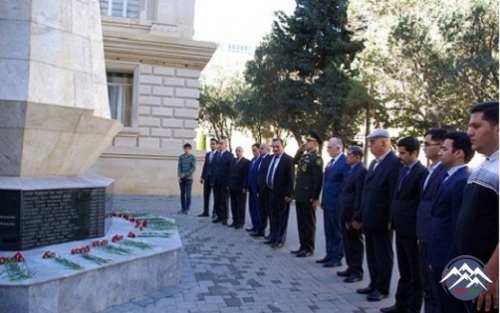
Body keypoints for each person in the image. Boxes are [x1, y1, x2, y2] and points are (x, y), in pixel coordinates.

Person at [456, 101, 499, 313]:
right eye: (469, 126)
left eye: (476, 126)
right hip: (470, 272)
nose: (469, 132)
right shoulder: (483, 164)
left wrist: (492, 274)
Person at [427, 131, 474, 313]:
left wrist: (451, 264)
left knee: (453, 306)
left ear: (458, 153)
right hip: (438, 254)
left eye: (444, 149)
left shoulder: (461, 181)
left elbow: (458, 227)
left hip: (449, 259)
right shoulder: (449, 177)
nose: (439, 152)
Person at [381, 136, 427, 313]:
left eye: (403, 153)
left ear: (414, 153)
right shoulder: (402, 170)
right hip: (400, 227)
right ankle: (400, 304)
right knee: (404, 270)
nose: (399, 156)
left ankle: (412, 307)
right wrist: (391, 219)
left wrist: (419, 232)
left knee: (415, 273)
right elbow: (396, 197)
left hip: (412, 230)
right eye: (398, 152)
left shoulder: (421, 173)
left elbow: (421, 204)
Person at [357, 129, 401, 302]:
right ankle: (373, 283)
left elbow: (392, 195)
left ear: (383, 142)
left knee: (383, 255)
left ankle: (382, 288)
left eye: (372, 143)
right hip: (369, 217)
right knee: (372, 253)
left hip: (382, 219)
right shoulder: (375, 163)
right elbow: (367, 192)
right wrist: (360, 215)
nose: (370, 146)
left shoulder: (394, 163)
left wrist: (391, 219)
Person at [416, 128, 448, 313]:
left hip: (435, 237)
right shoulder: (429, 170)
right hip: (424, 234)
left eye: (428, 144)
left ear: (441, 146)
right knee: (427, 285)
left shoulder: (445, 172)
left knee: (436, 289)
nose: (424, 148)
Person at [316, 137, 349, 267]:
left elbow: (345, 184)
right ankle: (329, 254)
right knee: (328, 229)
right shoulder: (330, 163)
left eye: (330, 147)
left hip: (337, 203)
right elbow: (327, 182)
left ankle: (337, 257)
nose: (327, 150)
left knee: (337, 231)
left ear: (338, 148)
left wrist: (341, 201)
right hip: (328, 202)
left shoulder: (344, 162)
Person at [291, 131, 324, 258]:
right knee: (301, 222)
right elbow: (294, 161)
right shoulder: (305, 157)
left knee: (308, 222)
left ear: (315, 144)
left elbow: (318, 179)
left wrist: (315, 197)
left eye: (309, 141)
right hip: (300, 194)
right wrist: (300, 151)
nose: (306, 143)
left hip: (308, 196)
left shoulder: (316, 159)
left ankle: (309, 248)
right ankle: (302, 245)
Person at [337, 146, 366, 283]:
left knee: (355, 243)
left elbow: (360, 195)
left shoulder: (361, 171)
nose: (346, 157)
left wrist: (357, 216)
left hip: (352, 214)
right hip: (345, 212)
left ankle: (357, 271)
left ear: (357, 157)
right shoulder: (351, 170)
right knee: (347, 242)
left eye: (349, 155)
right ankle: (350, 267)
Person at [263, 138, 294, 250]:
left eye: (277, 147)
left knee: (282, 218)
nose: (275, 149)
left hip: (282, 195)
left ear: (283, 146)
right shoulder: (271, 158)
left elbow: (291, 178)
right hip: (271, 192)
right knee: (273, 216)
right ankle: (273, 236)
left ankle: (280, 240)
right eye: (274, 147)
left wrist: (289, 194)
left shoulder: (288, 160)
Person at [251, 143, 273, 238]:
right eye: (260, 148)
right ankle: (260, 230)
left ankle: (269, 232)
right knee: (261, 211)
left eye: (262, 148)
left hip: (266, 190)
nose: (260, 150)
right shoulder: (259, 159)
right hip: (259, 189)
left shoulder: (270, 159)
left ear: (268, 149)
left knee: (268, 211)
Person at [211, 138, 234, 225]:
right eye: (219, 143)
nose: (220, 145)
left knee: (224, 201)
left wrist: (228, 183)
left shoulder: (229, 155)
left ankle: (225, 217)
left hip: (224, 182)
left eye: (222, 143)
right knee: (217, 200)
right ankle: (219, 216)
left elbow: (230, 170)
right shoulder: (216, 155)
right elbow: (213, 168)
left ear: (226, 145)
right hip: (216, 181)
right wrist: (212, 180)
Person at [228, 147, 250, 229]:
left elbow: (246, 175)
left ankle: (241, 222)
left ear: (242, 152)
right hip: (233, 187)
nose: (238, 152)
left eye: (239, 151)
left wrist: (245, 187)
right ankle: (235, 221)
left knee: (241, 206)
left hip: (241, 188)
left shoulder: (246, 162)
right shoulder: (233, 161)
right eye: (236, 151)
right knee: (233, 205)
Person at [199, 138, 218, 218]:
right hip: (207, 178)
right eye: (211, 144)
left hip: (214, 179)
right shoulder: (208, 154)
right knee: (206, 195)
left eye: (213, 144)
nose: (212, 145)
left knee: (215, 196)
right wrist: (202, 177)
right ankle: (205, 211)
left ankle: (215, 212)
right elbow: (205, 166)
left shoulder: (218, 154)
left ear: (216, 145)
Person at [246, 143, 262, 232]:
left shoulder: (261, 161)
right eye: (252, 150)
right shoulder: (252, 160)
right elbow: (250, 174)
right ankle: (254, 225)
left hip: (257, 189)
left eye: (254, 150)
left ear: (259, 150)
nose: (253, 152)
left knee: (257, 208)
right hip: (251, 188)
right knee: (251, 207)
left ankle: (259, 227)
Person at [177, 143, 196, 214]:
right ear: (184, 149)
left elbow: (193, 168)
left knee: (188, 194)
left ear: (190, 149)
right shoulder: (181, 157)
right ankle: (183, 208)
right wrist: (179, 175)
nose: (187, 150)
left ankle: (187, 209)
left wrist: (186, 174)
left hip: (189, 178)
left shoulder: (192, 157)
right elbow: (179, 166)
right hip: (181, 178)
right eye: (185, 148)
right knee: (182, 193)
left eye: (188, 149)